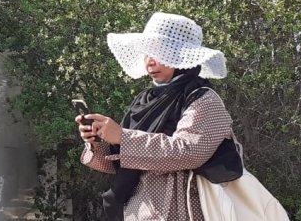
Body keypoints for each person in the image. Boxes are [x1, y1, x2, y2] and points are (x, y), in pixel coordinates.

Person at [76, 12, 238, 221]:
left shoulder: (204, 98)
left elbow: (189, 152)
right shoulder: (145, 100)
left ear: (181, 56)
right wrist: (97, 141)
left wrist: (122, 137)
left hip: (184, 210)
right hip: (137, 210)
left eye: (159, 52)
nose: (150, 62)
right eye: (147, 53)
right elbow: (118, 162)